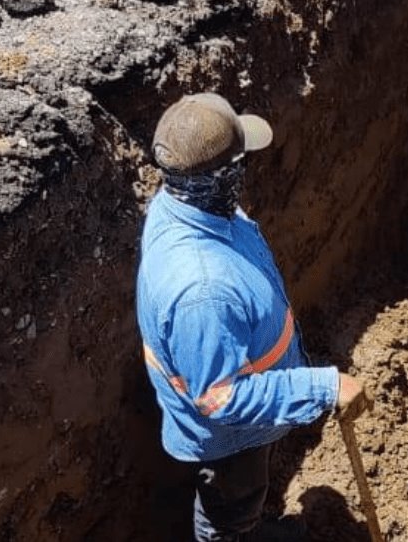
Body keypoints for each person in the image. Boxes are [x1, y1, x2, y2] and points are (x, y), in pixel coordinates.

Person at [135, 93, 371, 541]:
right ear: (218, 177)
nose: (246, 172)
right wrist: (323, 386)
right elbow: (222, 400)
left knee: (240, 502)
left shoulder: (185, 206)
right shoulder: (203, 291)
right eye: (239, 164)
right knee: (229, 511)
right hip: (229, 441)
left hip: (236, 419)